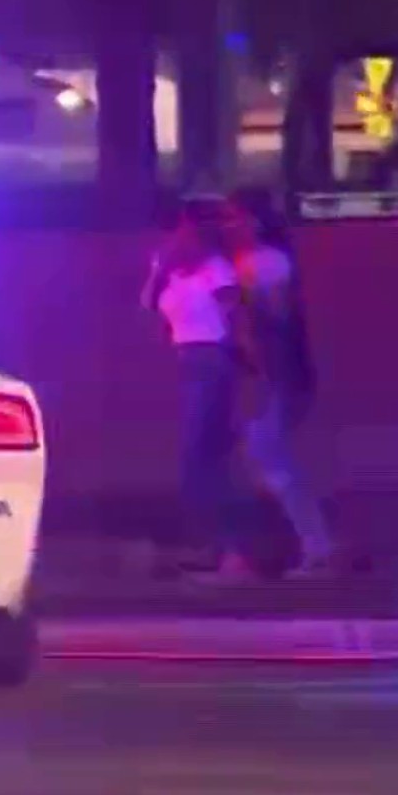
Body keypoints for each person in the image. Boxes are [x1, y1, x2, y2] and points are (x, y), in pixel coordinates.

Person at [222, 189, 337, 578]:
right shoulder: (262, 263)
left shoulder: (263, 264)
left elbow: (268, 321)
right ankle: (307, 544)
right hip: (277, 377)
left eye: (236, 218)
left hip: (279, 377)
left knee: (270, 457)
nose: (230, 226)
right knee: (267, 456)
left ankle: (316, 546)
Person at [143, 197, 256, 577]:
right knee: (201, 458)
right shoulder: (168, 269)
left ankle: (230, 547)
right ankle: (218, 546)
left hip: (212, 360)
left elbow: (234, 315)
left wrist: (244, 359)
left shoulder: (216, 268)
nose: (178, 236)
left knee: (201, 457)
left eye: (185, 229)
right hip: (189, 360)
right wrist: (162, 269)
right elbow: (149, 303)